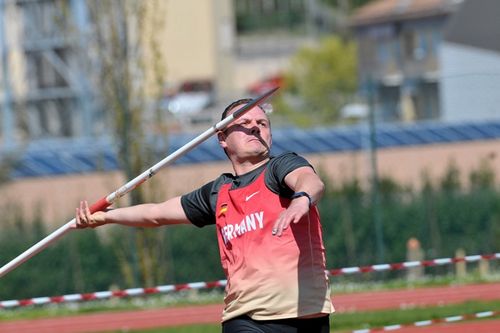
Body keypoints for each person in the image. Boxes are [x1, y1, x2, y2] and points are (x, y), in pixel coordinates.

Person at [76, 98, 334, 333]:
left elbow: (309, 180)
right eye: (244, 123)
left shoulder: (280, 167)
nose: (255, 127)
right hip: (245, 318)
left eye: (262, 123)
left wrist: (301, 199)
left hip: (306, 315)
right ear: (222, 137)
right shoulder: (218, 192)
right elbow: (157, 213)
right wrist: (104, 217)